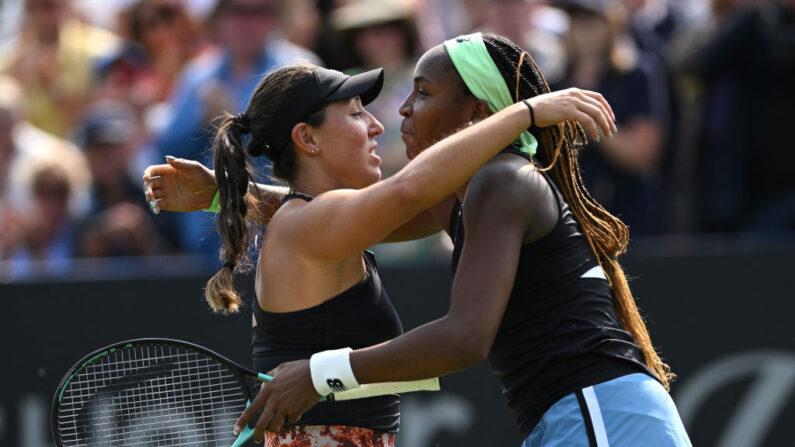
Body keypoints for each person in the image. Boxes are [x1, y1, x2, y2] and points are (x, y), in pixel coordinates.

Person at [230, 33, 690, 446]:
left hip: (596, 410)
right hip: (579, 414)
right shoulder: (482, 189)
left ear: (478, 113)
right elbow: (350, 216)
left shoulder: (500, 181)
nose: (401, 109)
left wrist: (320, 374)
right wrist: (227, 192)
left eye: (424, 92)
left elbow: (465, 337)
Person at [143, 57, 615, 445]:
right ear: (307, 139)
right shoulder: (311, 222)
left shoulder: (312, 220)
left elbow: (420, 204)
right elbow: (411, 191)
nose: (376, 126)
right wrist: (523, 113)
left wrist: (231, 196)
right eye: (354, 114)